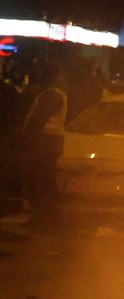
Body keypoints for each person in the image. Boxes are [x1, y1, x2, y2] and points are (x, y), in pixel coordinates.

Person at [19, 65, 69, 222]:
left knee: (41, 178)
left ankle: (46, 215)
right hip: (49, 141)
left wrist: (28, 139)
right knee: (43, 178)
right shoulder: (54, 94)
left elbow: (38, 119)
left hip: (45, 142)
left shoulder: (51, 95)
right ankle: (46, 214)